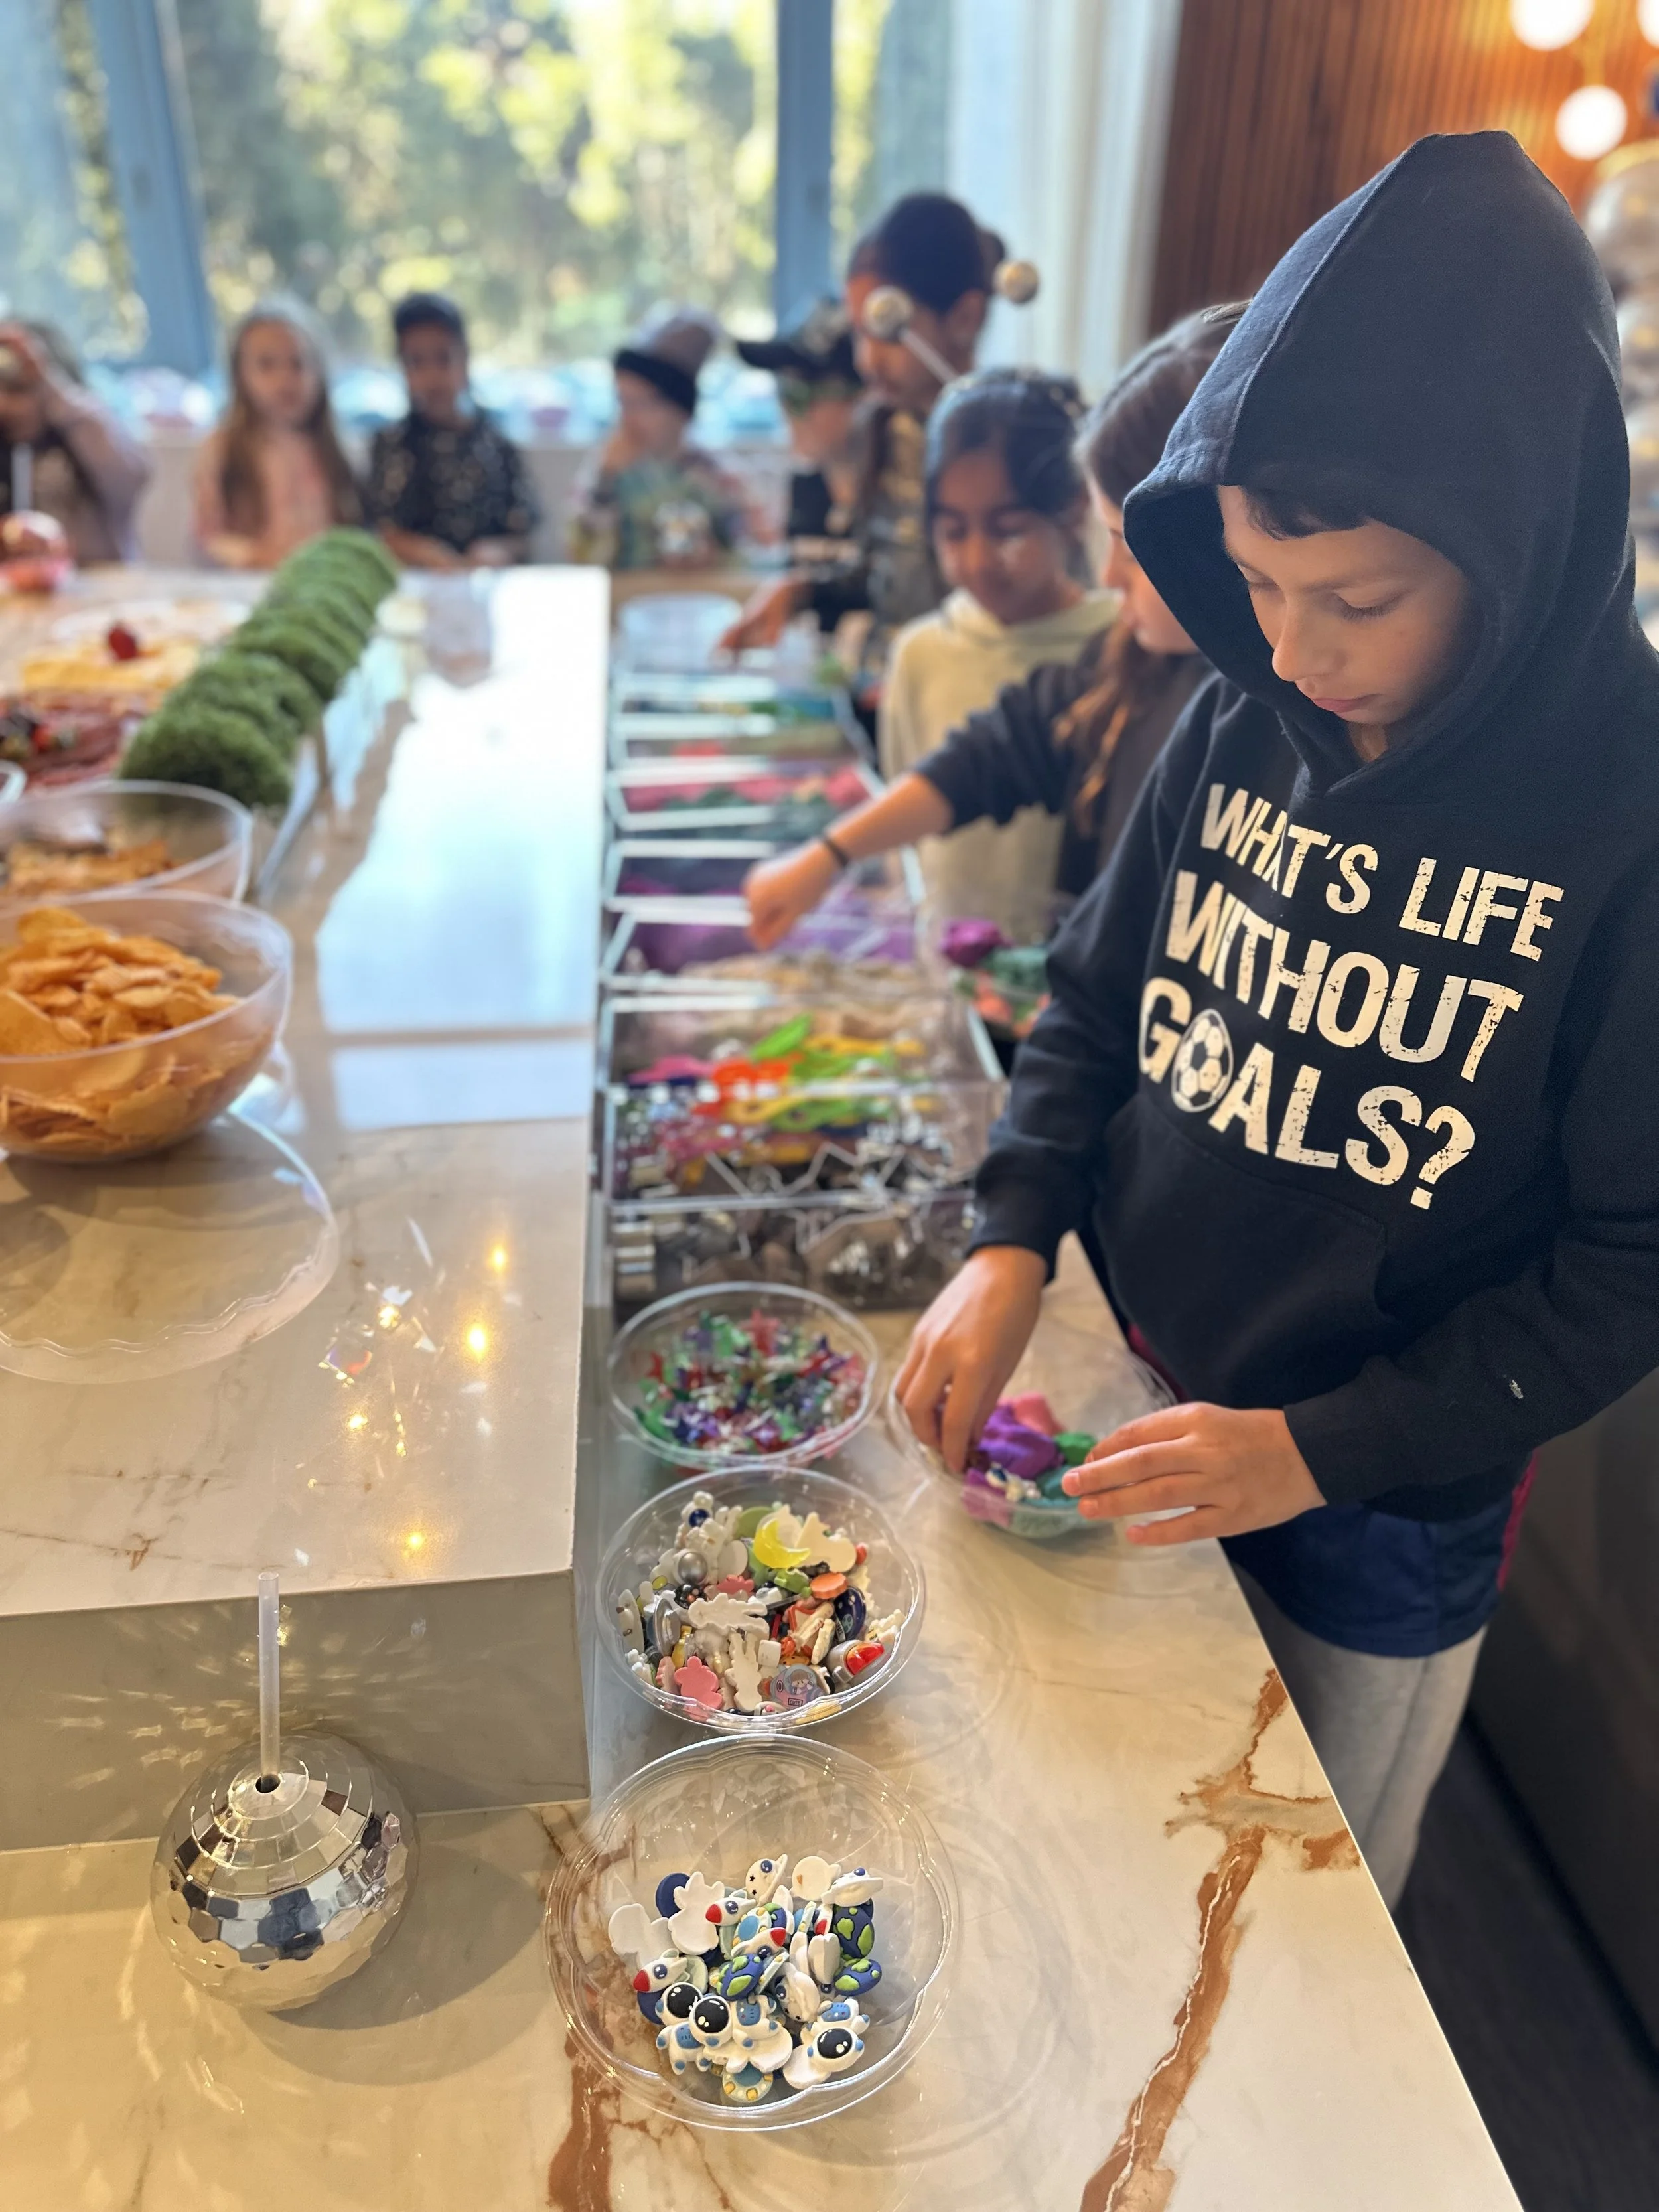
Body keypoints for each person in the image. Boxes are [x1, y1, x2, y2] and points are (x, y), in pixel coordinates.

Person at [894, 130, 1659, 1909]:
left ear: (1515, 548)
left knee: (1293, 1918)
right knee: (1106, 1842)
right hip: (1144, 1384)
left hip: (1384, 1500)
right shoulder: (1247, 707)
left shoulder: (1625, 813)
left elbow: (1628, 1271)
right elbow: (1091, 989)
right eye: (1251, 583)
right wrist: (1010, 1233)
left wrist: (1312, 1450)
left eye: (1358, 602)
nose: (1292, 650)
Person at [743, 307, 1240, 952]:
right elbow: (994, 753)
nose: (1110, 576)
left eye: (1129, 544)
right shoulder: (1128, 660)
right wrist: (827, 856)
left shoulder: (1229, 711)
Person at [717, 192, 999, 687]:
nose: (867, 360)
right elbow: (880, 575)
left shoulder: (1002, 447)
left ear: (966, 318)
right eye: (858, 336)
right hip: (887, 705)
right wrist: (802, 589)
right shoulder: (891, 431)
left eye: (887, 333)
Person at [365, 292, 540, 569]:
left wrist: (497, 551)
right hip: (413, 596)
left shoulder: (495, 443)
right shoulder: (391, 445)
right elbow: (378, 531)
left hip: (482, 590)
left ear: (465, 358)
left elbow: (524, 533)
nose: (432, 377)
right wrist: (422, 552)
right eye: (416, 362)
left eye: (443, 358)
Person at [566, 308, 745, 572]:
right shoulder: (607, 471)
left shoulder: (716, 477)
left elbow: (751, 558)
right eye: (622, 402)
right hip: (625, 603)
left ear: (680, 411)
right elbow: (582, 558)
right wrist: (605, 479)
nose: (628, 417)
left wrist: (716, 559)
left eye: (641, 404)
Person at [192, 299, 361, 569]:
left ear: (320, 371)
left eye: (298, 363)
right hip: (254, 588)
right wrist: (255, 557)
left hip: (321, 586)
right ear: (240, 375)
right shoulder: (223, 448)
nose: (285, 379)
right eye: (266, 365)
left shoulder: (335, 449)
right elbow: (207, 537)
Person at [0, 319, 150, 563]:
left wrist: (50, 387)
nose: (4, 404)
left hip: (99, 586)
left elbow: (132, 478)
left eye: (20, 389)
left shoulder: (84, 432)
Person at [735, 297, 863, 566]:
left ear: (863, 397)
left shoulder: (898, 500)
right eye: (783, 390)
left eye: (801, 394)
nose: (788, 411)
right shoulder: (807, 489)